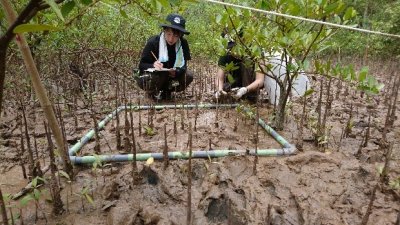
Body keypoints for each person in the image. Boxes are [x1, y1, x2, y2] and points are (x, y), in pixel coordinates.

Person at [136, 13, 193, 100]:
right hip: (156, 76)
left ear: (180, 35)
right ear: (164, 30)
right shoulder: (153, 42)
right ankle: (152, 92)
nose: (171, 39)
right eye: (169, 34)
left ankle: (168, 91)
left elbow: (184, 65)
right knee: (158, 75)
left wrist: (177, 71)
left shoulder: (183, 44)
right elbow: (141, 65)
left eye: (175, 36)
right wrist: (153, 65)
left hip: (172, 78)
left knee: (188, 75)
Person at [214, 36, 265, 101]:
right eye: (230, 48)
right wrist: (220, 90)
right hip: (234, 82)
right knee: (223, 94)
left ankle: (249, 97)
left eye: (234, 48)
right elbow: (219, 78)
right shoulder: (225, 53)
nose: (232, 51)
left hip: (250, 84)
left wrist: (245, 89)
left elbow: (260, 80)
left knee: (247, 61)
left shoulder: (256, 51)